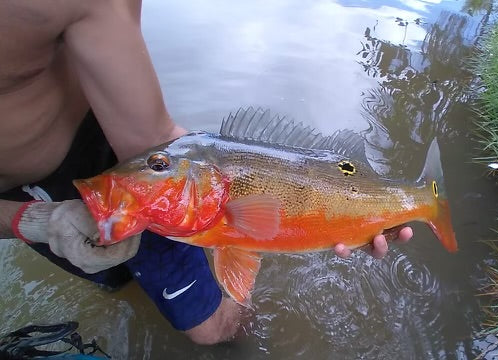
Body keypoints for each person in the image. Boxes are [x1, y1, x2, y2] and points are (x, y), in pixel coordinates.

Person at [0, 0, 413, 345]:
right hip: (25, 200)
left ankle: (241, 335)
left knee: (213, 329)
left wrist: (356, 214)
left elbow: (157, 138)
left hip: (114, 153)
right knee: (114, 281)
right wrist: (26, 220)